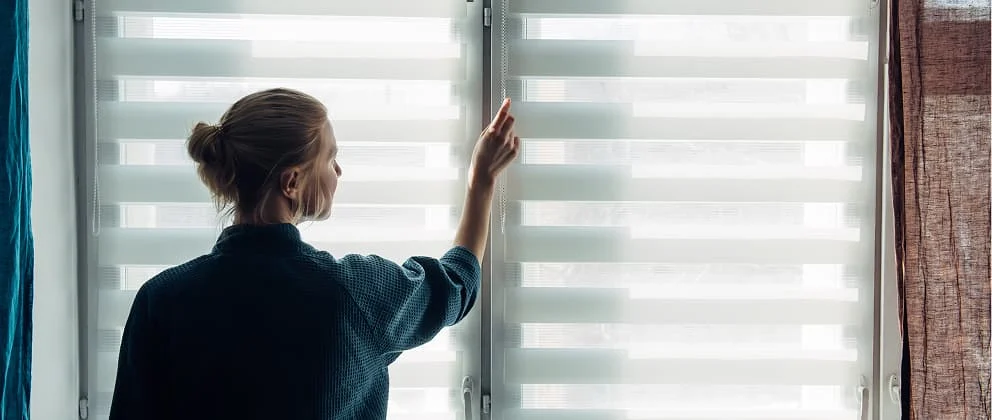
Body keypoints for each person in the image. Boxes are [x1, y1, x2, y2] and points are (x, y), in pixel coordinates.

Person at [108, 88, 519, 420]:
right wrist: (480, 182)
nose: (338, 172)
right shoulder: (352, 293)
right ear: (291, 182)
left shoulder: (160, 300)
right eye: (331, 157)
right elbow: (456, 283)